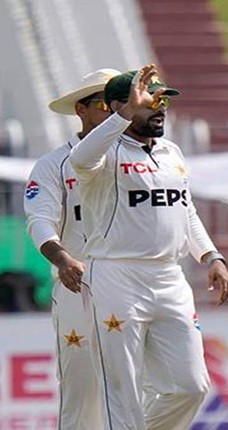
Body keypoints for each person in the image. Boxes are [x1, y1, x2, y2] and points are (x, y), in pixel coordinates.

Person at [68, 64, 228, 430]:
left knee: (190, 387)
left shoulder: (172, 152)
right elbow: (79, 159)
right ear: (119, 106)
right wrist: (126, 113)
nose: (159, 109)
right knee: (123, 387)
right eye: (150, 101)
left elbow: (184, 209)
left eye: (163, 101)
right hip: (116, 275)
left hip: (169, 276)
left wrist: (211, 255)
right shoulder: (104, 152)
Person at [23, 67, 120, 428]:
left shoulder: (140, 160)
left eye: (121, 103)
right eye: (105, 105)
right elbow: (39, 219)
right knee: (82, 388)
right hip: (78, 283)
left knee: (143, 386)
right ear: (81, 109)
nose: (115, 113)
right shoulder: (53, 164)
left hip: (132, 282)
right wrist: (62, 258)